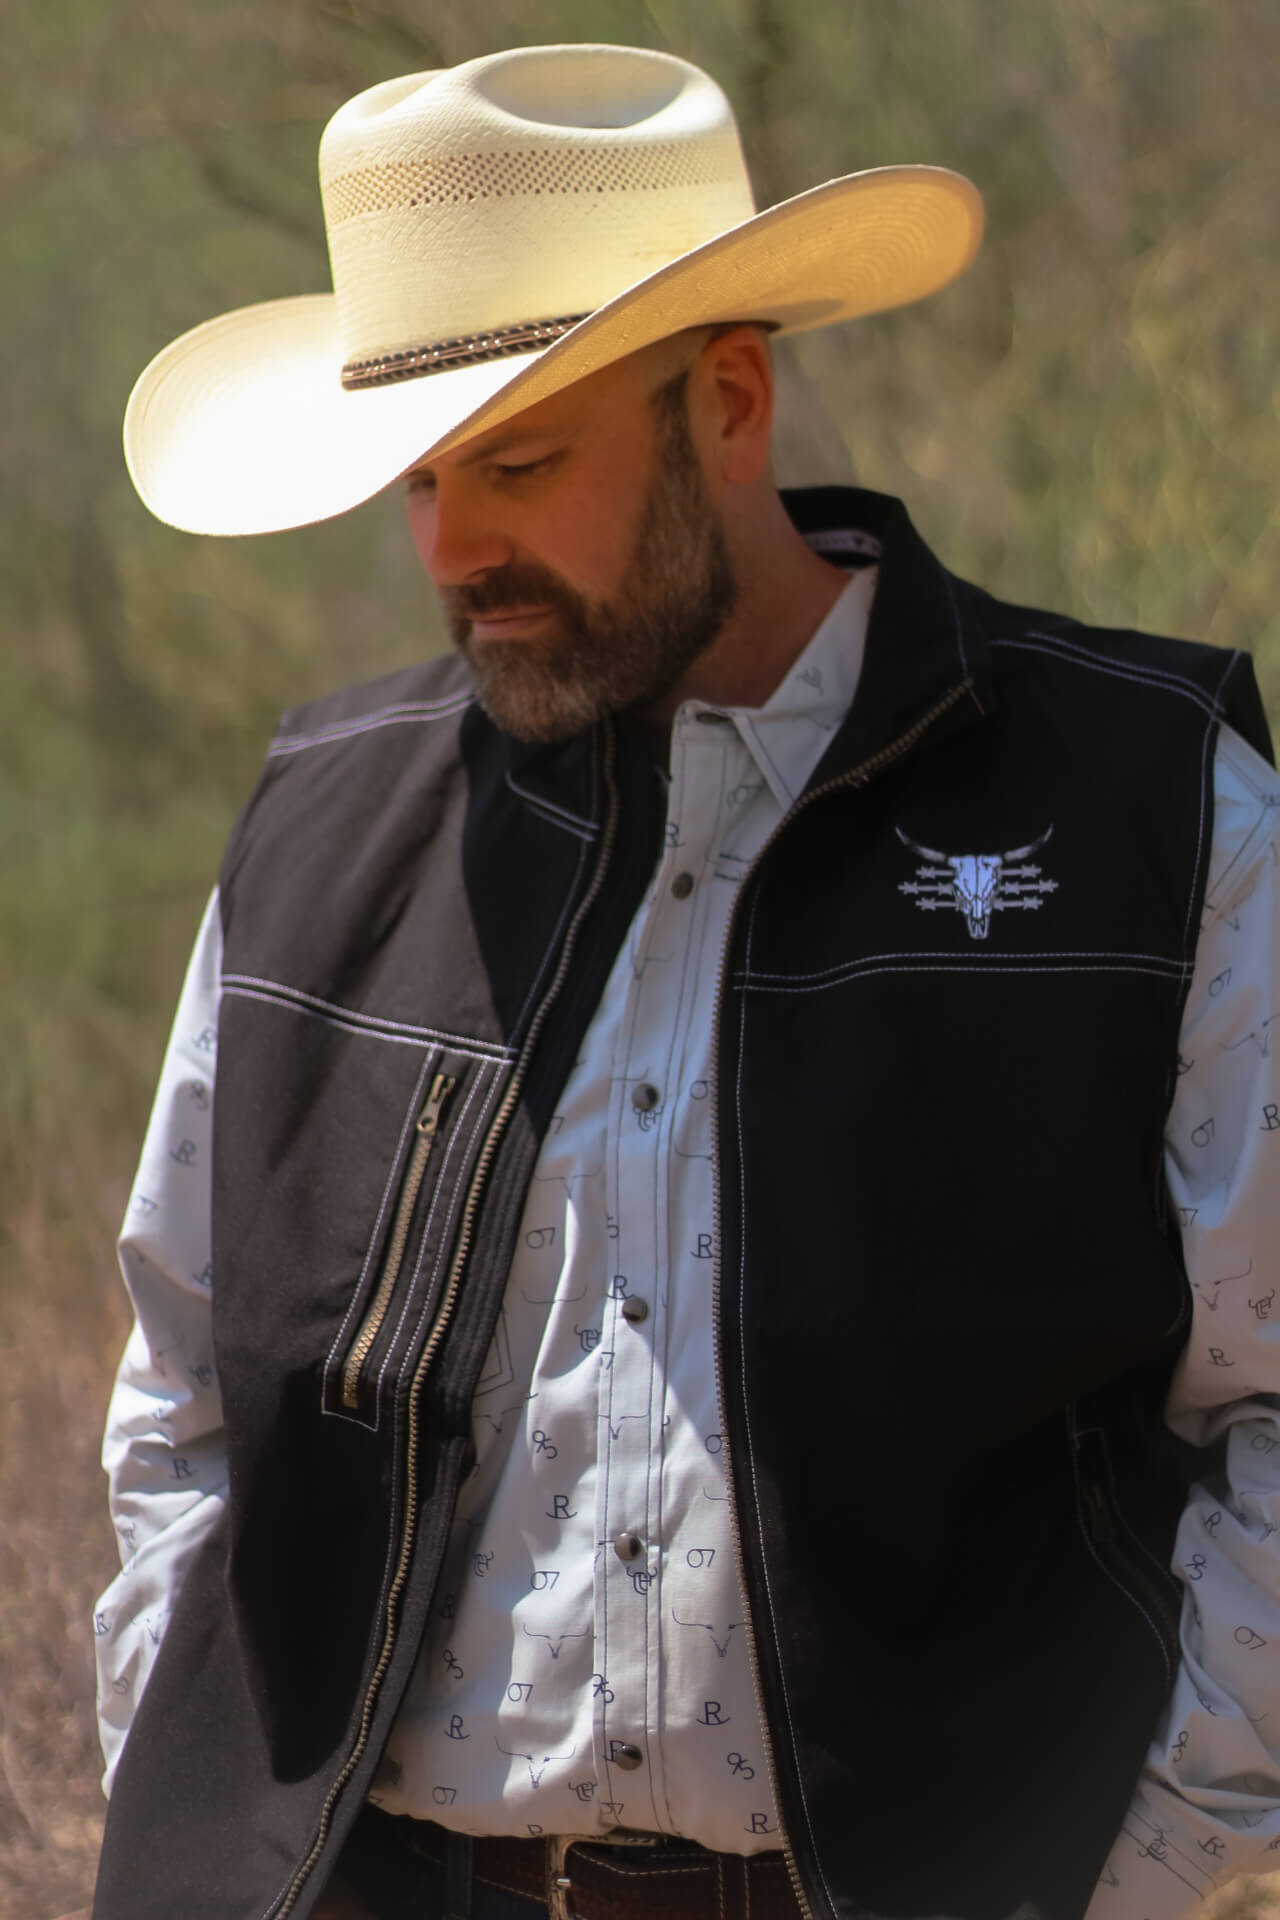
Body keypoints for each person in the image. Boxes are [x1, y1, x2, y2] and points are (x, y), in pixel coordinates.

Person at [91, 41, 1280, 1920]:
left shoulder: (1147, 802)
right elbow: (182, 1409)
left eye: (522, 458)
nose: (454, 545)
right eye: (418, 477)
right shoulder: (323, 827)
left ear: (729, 400)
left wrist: (1148, 1873)